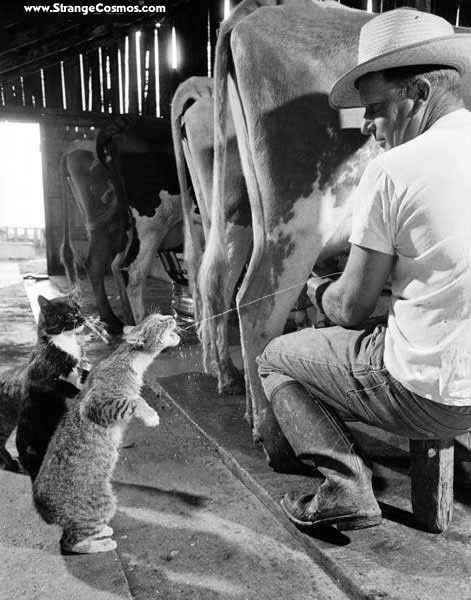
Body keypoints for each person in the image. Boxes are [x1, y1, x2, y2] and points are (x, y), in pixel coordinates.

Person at [256, 8, 471, 531]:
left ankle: (345, 485)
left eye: (375, 108)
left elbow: (351, 310)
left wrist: (316, 288)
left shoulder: (394, 168)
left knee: (277, 358)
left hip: (439, 395)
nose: (367, 127)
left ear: (418, 92)